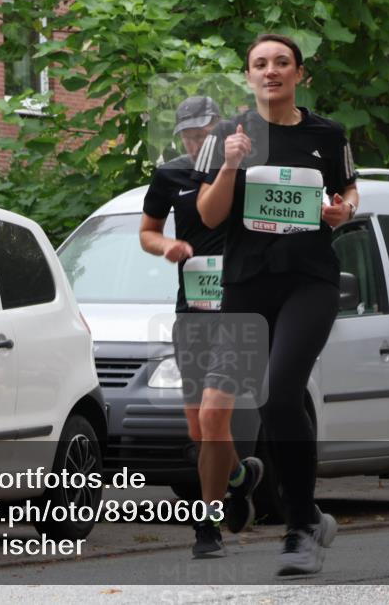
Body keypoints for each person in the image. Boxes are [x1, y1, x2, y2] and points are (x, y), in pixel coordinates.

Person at [195, 34, 358, 576]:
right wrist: (230, 167)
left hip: (309, 280)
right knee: (230, 407)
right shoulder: (227, 134)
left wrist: (343, 210)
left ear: (299, 74)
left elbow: (348, 191)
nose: (271, 71)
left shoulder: (327, 135)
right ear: (248, 76)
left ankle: (297, 529)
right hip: (246, 286)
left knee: (280, 392)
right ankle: (308, 514)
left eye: (281, 63)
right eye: (260, 64)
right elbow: (210, 216)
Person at [140, 96, 264, 558]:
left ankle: (207, 528)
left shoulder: (246, 169)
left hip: (238, 312)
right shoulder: (171, 174)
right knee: (198, 429)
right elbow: (147, 232)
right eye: (188, 134)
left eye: (204, 132)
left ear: (221, 129)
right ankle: (239, 477)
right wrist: (167, 245)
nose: (196, 142)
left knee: (214, 418)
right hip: (192, 313)